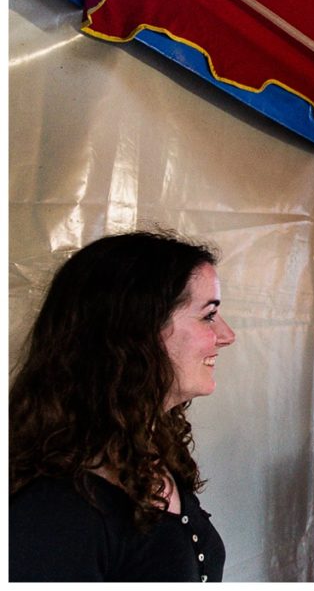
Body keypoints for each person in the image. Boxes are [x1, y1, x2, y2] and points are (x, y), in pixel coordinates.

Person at [9, 230, 237, 582]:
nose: (226, 335)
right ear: (139, 330)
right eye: (208, 315)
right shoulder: (56, 509)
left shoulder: (150, 448)